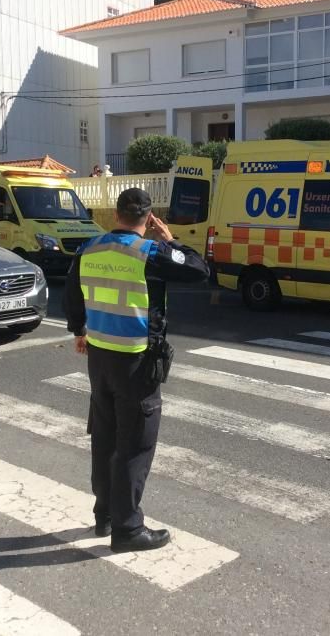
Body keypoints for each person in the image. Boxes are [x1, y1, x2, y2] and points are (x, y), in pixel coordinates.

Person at [63, 188, 209, 553]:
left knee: (105, 437)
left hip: (99, 358)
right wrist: (170, 239)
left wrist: (79, 330)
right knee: (135, 444)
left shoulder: (89, 248)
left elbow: (71, 295)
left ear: (116, 215)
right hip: (136, 361)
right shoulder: (151, 253)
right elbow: (198, 269)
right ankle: (127, 529)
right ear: (150, 217)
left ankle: (105, 515)